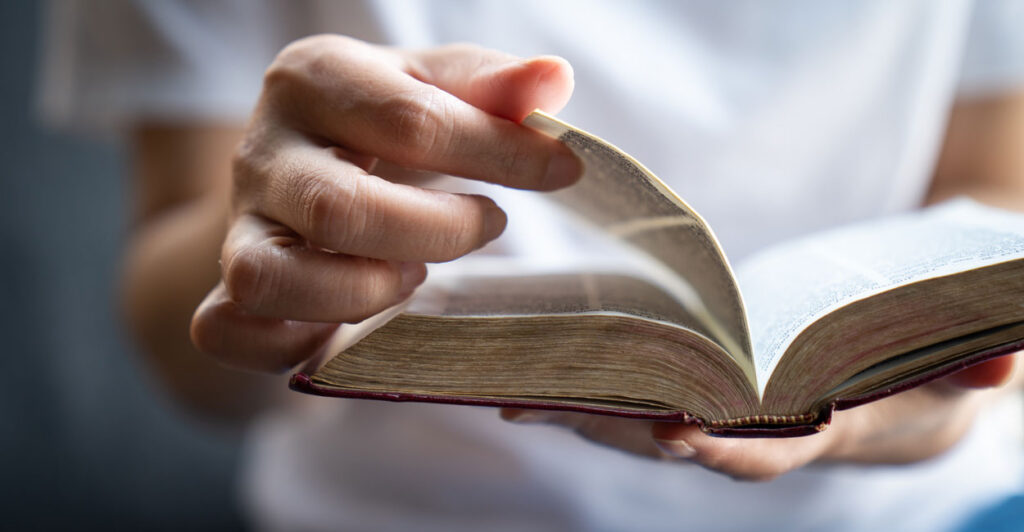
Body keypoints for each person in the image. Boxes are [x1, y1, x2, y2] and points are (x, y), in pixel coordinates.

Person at [42, 0, 1024, 530]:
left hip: (922, 511)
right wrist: (275, 267)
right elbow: (181, 342)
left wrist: (932, 386)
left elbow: (996, 193)